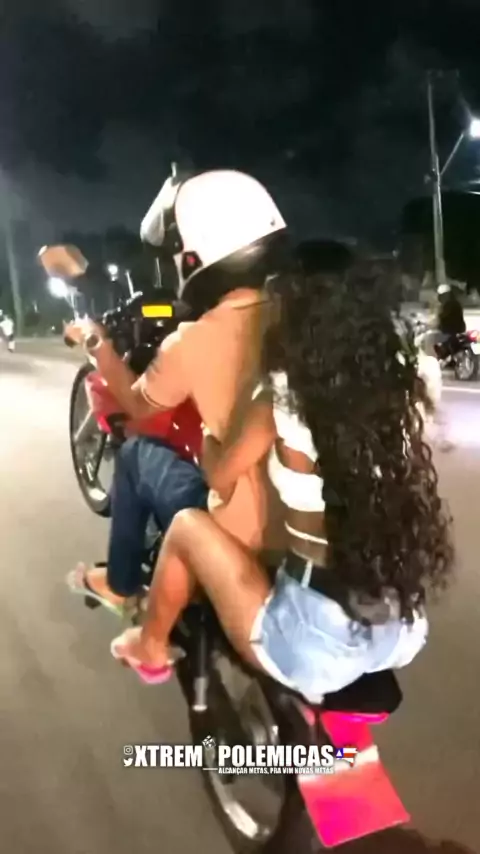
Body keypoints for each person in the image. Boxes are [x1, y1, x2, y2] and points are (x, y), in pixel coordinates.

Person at [108, 242, 455, 700]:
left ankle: (150, 644)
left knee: (187, 525)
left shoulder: (282, 395)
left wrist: (210, 437)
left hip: (314, 640)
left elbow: (220, 476)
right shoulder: (412, 380)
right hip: (403, 627)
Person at [63, 169, 290, 607]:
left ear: (193, 256)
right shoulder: (304, 315)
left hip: (239, 529)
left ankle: (122, 584)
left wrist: (98, 345)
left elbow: (136, 405)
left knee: (135, 453)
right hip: (303, 520)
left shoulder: (192, 341)